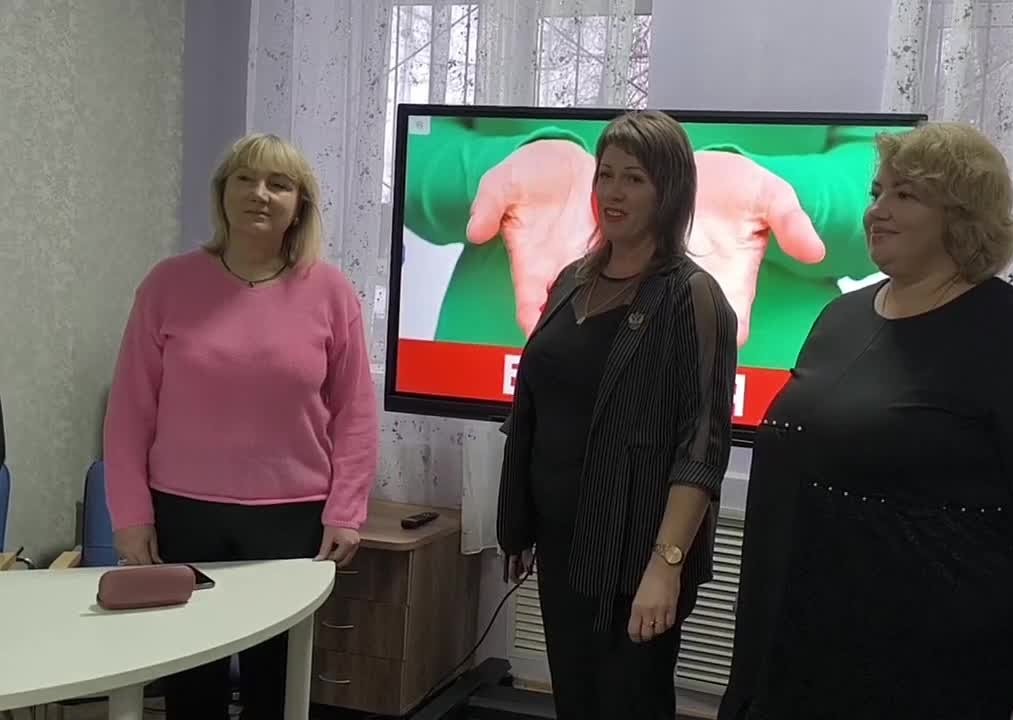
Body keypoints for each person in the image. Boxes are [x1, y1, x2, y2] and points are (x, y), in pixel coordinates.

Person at [718, 123, 1013, 720]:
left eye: (906, 194)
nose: (878, 211)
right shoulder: (841, 318)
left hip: (928, 669)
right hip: (797, 647)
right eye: (877, 192)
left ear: (964, 217)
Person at [104, 133, 378, 720]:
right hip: (184, 513)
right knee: (190, 682)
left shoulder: (331, 293)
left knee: (273, 685)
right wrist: (130, 516)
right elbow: (129, 411)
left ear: (299, 205)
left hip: (291, 520)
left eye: (279, 184)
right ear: (222, 194)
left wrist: (346, 512)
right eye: (245, 179)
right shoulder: (168, 284)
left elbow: (355, 415)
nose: (260, 194)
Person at [496, 110, 738, 720]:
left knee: (629, 705)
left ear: (669, 191)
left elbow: (703, 446)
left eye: (634, 178)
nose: (614, 192)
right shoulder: (570, 282)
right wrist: (518, 521)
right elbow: (536, 407)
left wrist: (666, 566)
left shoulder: (693, 295)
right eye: (605, 175)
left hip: (635, 555)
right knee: (576, 702)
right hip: (562, 546)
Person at [401, 115, 899, 368]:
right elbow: (413, 147)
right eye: (607, 176)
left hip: (757, 377)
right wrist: (497, 176)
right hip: (504, 360)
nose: (618, 195)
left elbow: (890, 175)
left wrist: (778, 197)